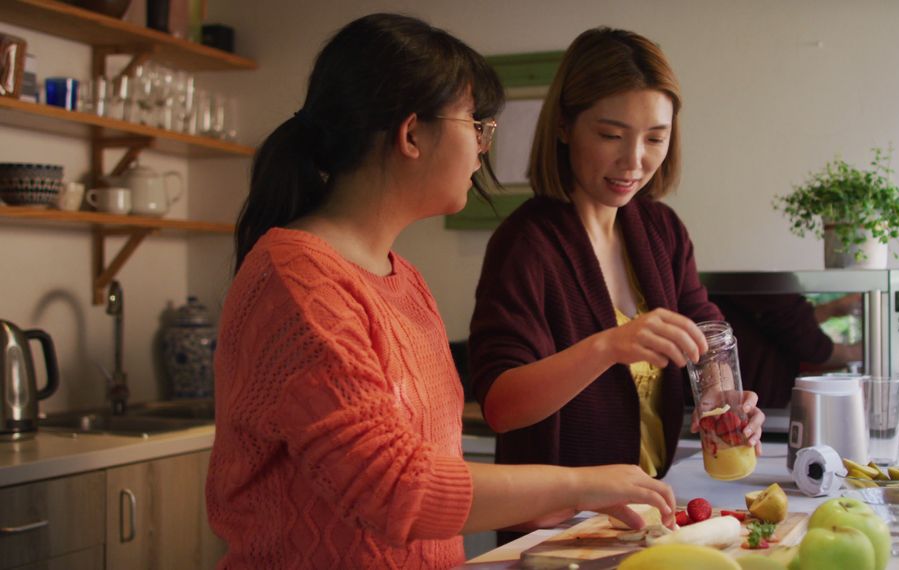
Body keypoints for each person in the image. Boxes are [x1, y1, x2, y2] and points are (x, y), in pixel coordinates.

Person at [205, 14, 676, 570]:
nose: (482, 147)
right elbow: (399, 489)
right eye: (475, 124)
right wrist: (576, 485)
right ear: (411, 135)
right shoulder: (299, 281)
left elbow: (436, 467)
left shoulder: (403, 279)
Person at [468, 27, 766, 495]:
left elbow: (706, 328)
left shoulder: (661, 229)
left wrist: (721, 391)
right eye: (611, 135)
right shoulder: (526, 244)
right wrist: (608, 347)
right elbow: (501, 405)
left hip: (646, 501)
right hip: (559, 526)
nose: (634, 161)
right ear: (564, 126)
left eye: (655, 138)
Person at [712, 293, 863, 409]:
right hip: (749, 404)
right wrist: (858, 352)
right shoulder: (762, 268)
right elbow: (801, 337)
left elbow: (786, 322)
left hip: (752, 404)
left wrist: (832, 308)